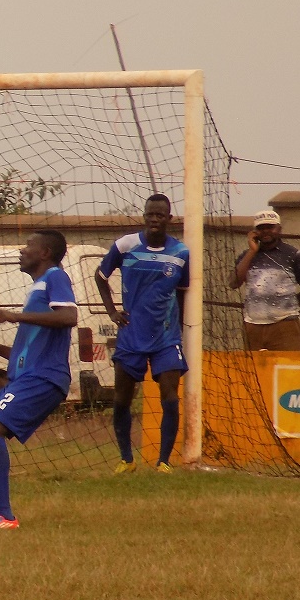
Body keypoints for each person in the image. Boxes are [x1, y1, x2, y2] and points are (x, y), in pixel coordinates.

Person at [0, 230, 77, 531]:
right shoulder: (38, 288)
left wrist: (12, 316)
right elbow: (34, 347)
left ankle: (6, 517)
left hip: (44, 379)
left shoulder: (56, 277)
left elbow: (68, 318)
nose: (22, 250)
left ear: (45, 252)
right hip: (27, 376)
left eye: (28, 245)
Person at [95, 194, 190, 475]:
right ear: (144, 216)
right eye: (150, 214)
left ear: (169, 219)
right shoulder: (125, 245)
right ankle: (127, 459)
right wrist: (112, 312)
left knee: (170, 397)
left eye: (160, 215)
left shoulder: (181, 252)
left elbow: (182, 294)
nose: (155, 219)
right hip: (131, 335)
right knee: (122, 400)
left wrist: (180, 329)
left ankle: (164, 462)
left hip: (165, 338)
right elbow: (101, 277)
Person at [229, 209, 300, 351]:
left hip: (285, 325)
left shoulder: (293, 254)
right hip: (253, 325)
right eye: (261, 228)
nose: (266, 231)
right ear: (255, 232)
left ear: (279, 229)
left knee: (287, 368)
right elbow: (234, 283)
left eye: (270, 227)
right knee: (255, 370)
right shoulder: (247, 255)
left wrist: (293, 302)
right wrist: (252, 251)